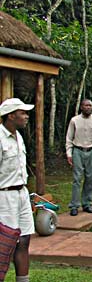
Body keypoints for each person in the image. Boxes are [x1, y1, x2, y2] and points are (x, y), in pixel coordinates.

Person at [0, 98, 35, 282]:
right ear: (11, 115)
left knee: (24, 240)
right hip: (4, 197)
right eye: (23, 113)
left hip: (22, 194)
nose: (26, 116)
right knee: (5, 245)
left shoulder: (18, 136)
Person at [65, 99, 92, 216]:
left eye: (90, 105)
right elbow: (69, 138)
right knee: (77, 178)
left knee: (90, 178)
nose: (88, 107)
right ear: (81, 107)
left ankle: (87, 203)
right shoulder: (75, 120)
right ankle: (74, 205)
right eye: (86, 105)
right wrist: (69, 153)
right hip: (78, 150)